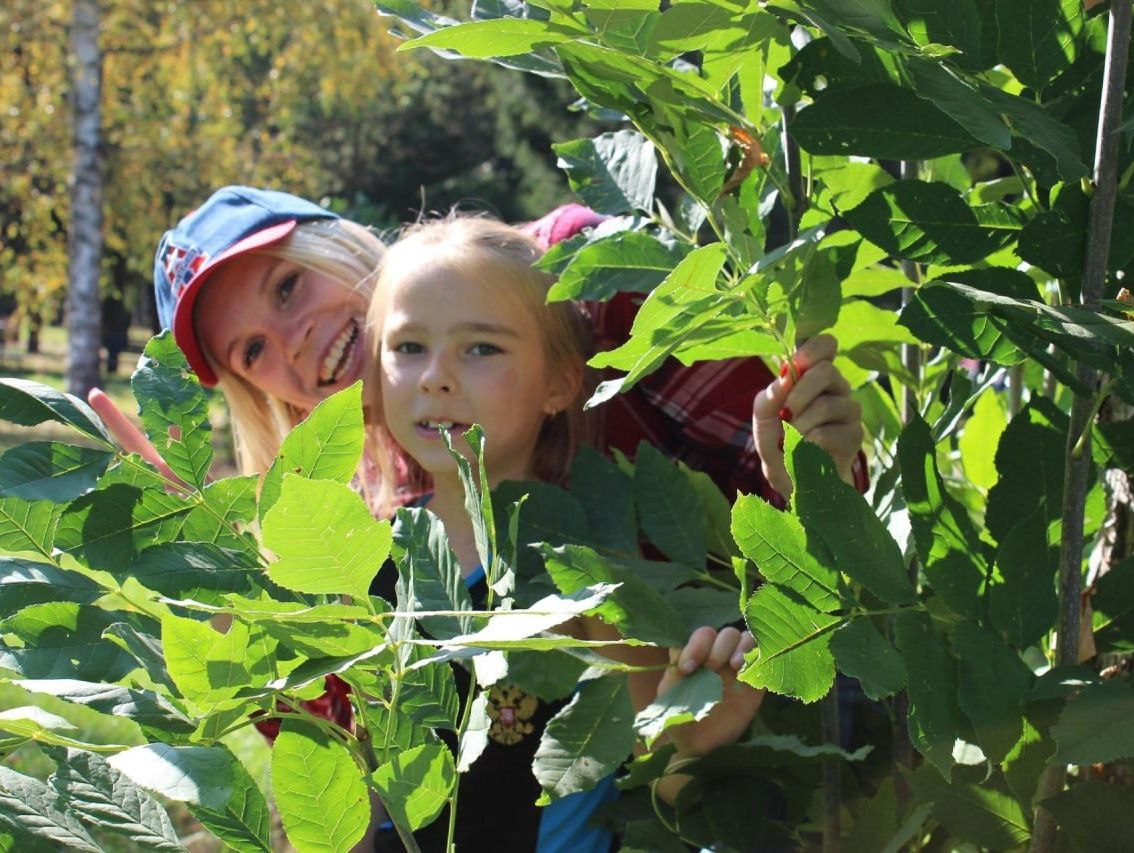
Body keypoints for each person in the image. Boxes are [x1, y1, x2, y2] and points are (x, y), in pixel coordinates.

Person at [363, 215, 763, 851]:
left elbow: (643, 767)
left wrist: (692, 744)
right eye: (408, 347)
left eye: (480, 348)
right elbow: (365, 796)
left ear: (558, 383)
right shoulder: (367, 566)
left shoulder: (585, 573)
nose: (435, 375)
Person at [89, 185, 864, 503]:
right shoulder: (366, 496)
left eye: (288, 286)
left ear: (337, 246)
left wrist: (804, 480)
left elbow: (828, 494)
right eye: (251, 352)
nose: (293, 342)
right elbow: (352, 740)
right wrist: (224, 588)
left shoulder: (574, 283)